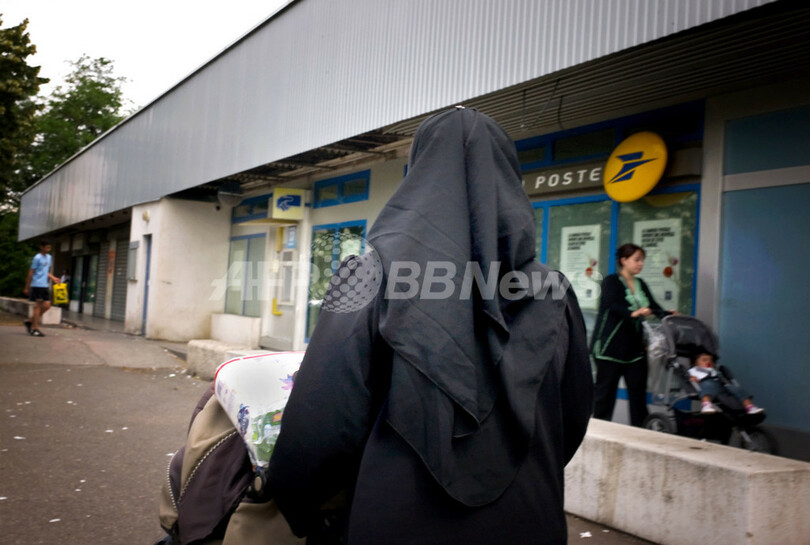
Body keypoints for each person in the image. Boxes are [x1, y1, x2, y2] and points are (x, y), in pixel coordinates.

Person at [266, 108, 594, 544]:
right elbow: (571, 418)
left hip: (394, 522)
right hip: (529, 521)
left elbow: (320, 424)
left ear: (419, 176)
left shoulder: (371, 280)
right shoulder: (554, 293)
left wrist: (296, 504)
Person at [591, 243, 675, 427]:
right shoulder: (611, 281)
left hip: (634, 349)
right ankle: (598, 432)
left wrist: (668, 315)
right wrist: (633, 313)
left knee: (638, 398)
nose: (640, 264)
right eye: (637, 260)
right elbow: (611, 304)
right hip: (609, 348)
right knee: (605, 398)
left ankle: (640, 433)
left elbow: (652, 306)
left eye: (642, 260)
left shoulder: (641, 283)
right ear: (624, 260)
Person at [688, 351, 764, 415]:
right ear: (695, 363)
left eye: (711, 360)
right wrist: (694, 379)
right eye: (704, 360)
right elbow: (692, 378)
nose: (708, 362)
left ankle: (750, 407)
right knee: (707, 385)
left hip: (722, 385)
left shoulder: (714, 369)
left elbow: (722, 377)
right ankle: (706, 405)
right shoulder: (694, 370)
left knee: (736, 389)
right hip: (708, 385)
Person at [23, 240, 60, 337]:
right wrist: (27, 287)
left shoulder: (49, 257)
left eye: (49, 247)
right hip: (37, 285)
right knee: (37, 307)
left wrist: (53, 278)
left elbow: (45, 271)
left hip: (45, 285)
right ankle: (35, 329)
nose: (48, 249)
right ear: (41, 247)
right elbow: (31, 272)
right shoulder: (37, 258)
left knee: (47, 305)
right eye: (47, 247)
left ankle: (29, 321)